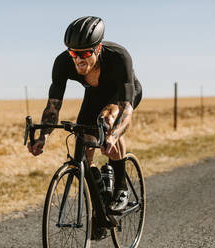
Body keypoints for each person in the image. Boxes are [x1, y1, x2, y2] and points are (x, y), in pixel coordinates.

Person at [28, 16, 142, 212]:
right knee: (84, 142)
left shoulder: (119, 57)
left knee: (107, 121)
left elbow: (126, 108)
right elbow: (53, 107)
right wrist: (43, 136)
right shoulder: (63, 62)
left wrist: (113, 136)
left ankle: (121, 188)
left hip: (122, 96)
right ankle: (99, 201)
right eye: (73, 53)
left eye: (85, 53)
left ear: (98, 49)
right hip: (95, 95)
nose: (79, 59)